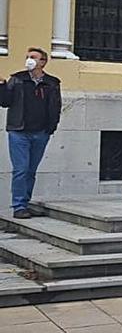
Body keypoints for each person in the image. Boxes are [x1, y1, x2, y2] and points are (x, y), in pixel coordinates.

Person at [3, 48, 61, 219]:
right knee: (20, 169)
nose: (29, 60)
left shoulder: (52, 83)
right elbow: (5, 102)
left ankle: (25, 203)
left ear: (43, 62)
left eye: (33, 57)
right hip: (19, 131)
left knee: (30, 170)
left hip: (41, 132)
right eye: (28, 57)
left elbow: (56, 106)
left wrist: (51, 128)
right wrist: (1, 86)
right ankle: (19, 205)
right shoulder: (17, 79)